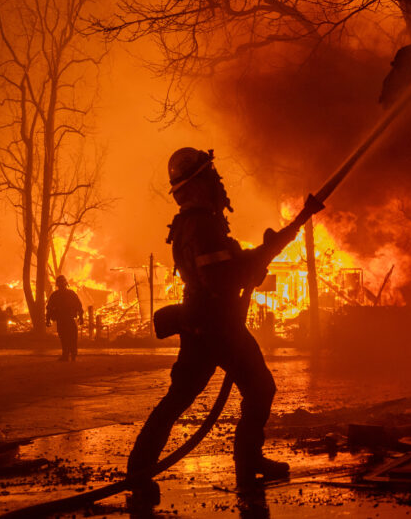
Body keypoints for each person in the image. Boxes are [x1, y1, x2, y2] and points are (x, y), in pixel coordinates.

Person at [126, 147, 323, 507]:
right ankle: (246, 462)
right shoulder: (202, 225)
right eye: (210, 176)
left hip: (205, 324)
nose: (218, 182)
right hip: (217, 326)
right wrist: (257, 262)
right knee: (259, 389)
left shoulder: (195, 222)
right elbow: (222, 278)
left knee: (179, 400)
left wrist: (287, 232)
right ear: (198, 184)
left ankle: (139, 472)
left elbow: (234, 266)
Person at [45, 276, 83, 361]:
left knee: (67, 338)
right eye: (60, 283)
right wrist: (81, 317)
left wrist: (48, 319)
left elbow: (78, 306)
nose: (61, 285)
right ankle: (69, 355)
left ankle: (68, 355)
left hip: (64, 320)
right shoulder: (66, 294)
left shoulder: (56, 295)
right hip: (65, 320)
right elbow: (50, 308)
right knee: (69, 337)